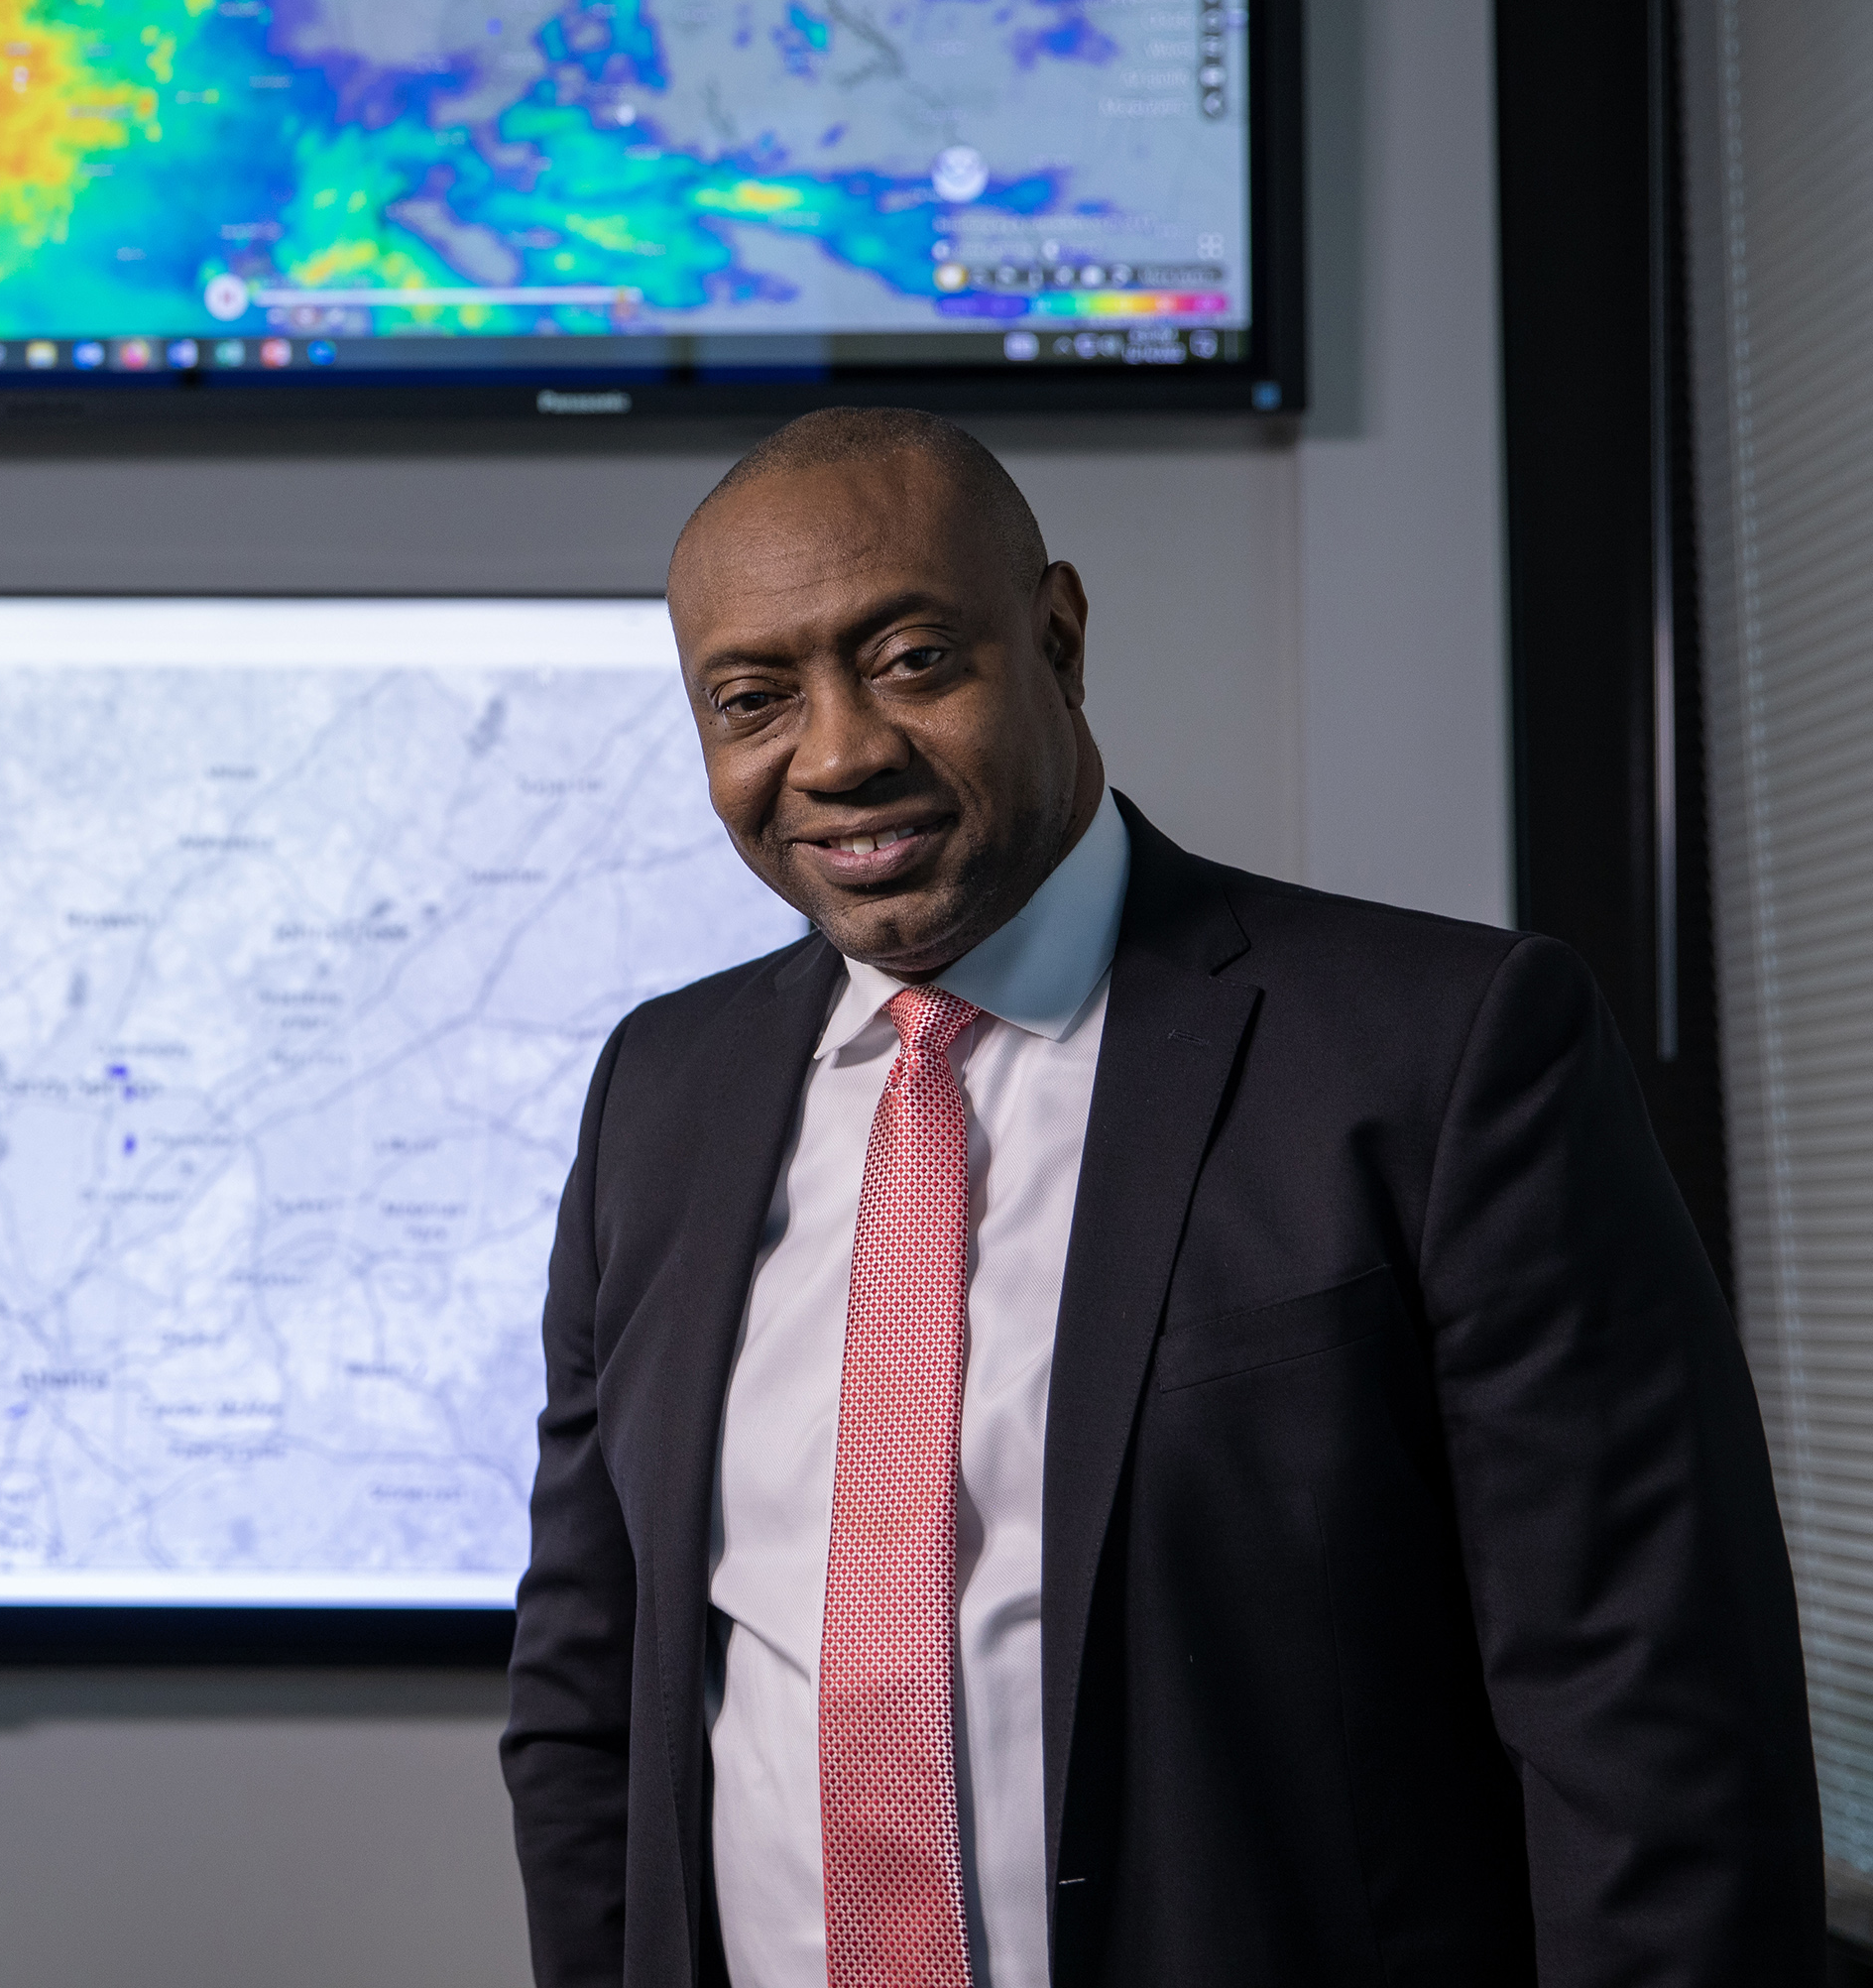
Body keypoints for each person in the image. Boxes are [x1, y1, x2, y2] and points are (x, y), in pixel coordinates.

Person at [502, 409, 1820, 1987]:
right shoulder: (663, 1092)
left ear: (1056, 636)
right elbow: (590, 1699)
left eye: (914, 657)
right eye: (754, 698)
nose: (838, 751)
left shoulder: (1446, 1054)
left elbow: (1652, 1734)